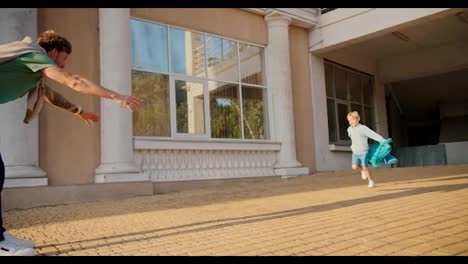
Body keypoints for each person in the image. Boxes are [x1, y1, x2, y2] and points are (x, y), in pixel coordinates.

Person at [0, 30, 143, 256]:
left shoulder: (32, 67)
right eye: (64, 59)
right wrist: (117, 97)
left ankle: (1, 235)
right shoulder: (35, 56)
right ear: (53, 52)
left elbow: (48, 94)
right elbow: (74, 82)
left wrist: (78, 111)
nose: (64, 65)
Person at [347, 111, 387, 189]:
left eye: (353, 119)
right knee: (354, 167)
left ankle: (371, 181)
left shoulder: (363, 128)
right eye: (349, 120)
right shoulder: (349, 129)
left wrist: (382, 140)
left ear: (358, 119)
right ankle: (362, 171)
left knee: (365, 167)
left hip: (364, 152)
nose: (351, 121)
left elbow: (372, 134)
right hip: (355, 152)